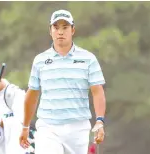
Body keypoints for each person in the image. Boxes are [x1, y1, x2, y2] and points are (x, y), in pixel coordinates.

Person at [19, 9, 106, 154]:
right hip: (48, 126)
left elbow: (97, 92)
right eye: (56, 27)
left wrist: (100, 121)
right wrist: (25, 126)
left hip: (78, 127)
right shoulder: (40, 60)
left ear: (73, 30)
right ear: (50, 30)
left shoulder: (88, 58)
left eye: (65, 27)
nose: (60, 32)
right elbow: (32, 94)